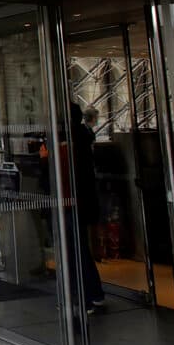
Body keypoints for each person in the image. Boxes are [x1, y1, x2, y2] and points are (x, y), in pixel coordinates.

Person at [70, 104, 105, 313]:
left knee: (76, 250)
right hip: (84, 201)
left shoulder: (70, 140)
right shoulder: (84, 136)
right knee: (81, 249)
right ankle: (94, 293)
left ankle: (84, 297)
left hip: (74, 202)